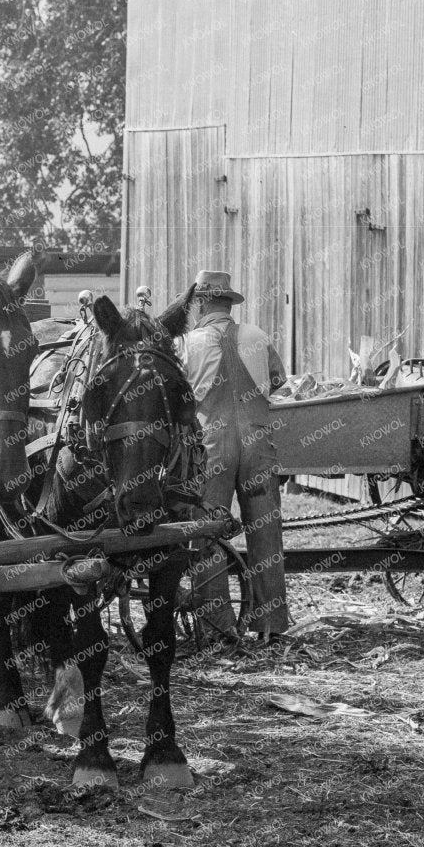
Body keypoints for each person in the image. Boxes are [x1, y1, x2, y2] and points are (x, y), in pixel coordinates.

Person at [154, 270, 289, 640]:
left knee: (207, 534)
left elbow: (175, 395)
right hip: (259, 446)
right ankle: (271, 625)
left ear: (199, 304)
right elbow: (277, 381)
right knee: (266, 536)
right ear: (229, 303)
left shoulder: (187, 344)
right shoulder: (258, 337)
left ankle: (218, 628)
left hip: (212, 448)